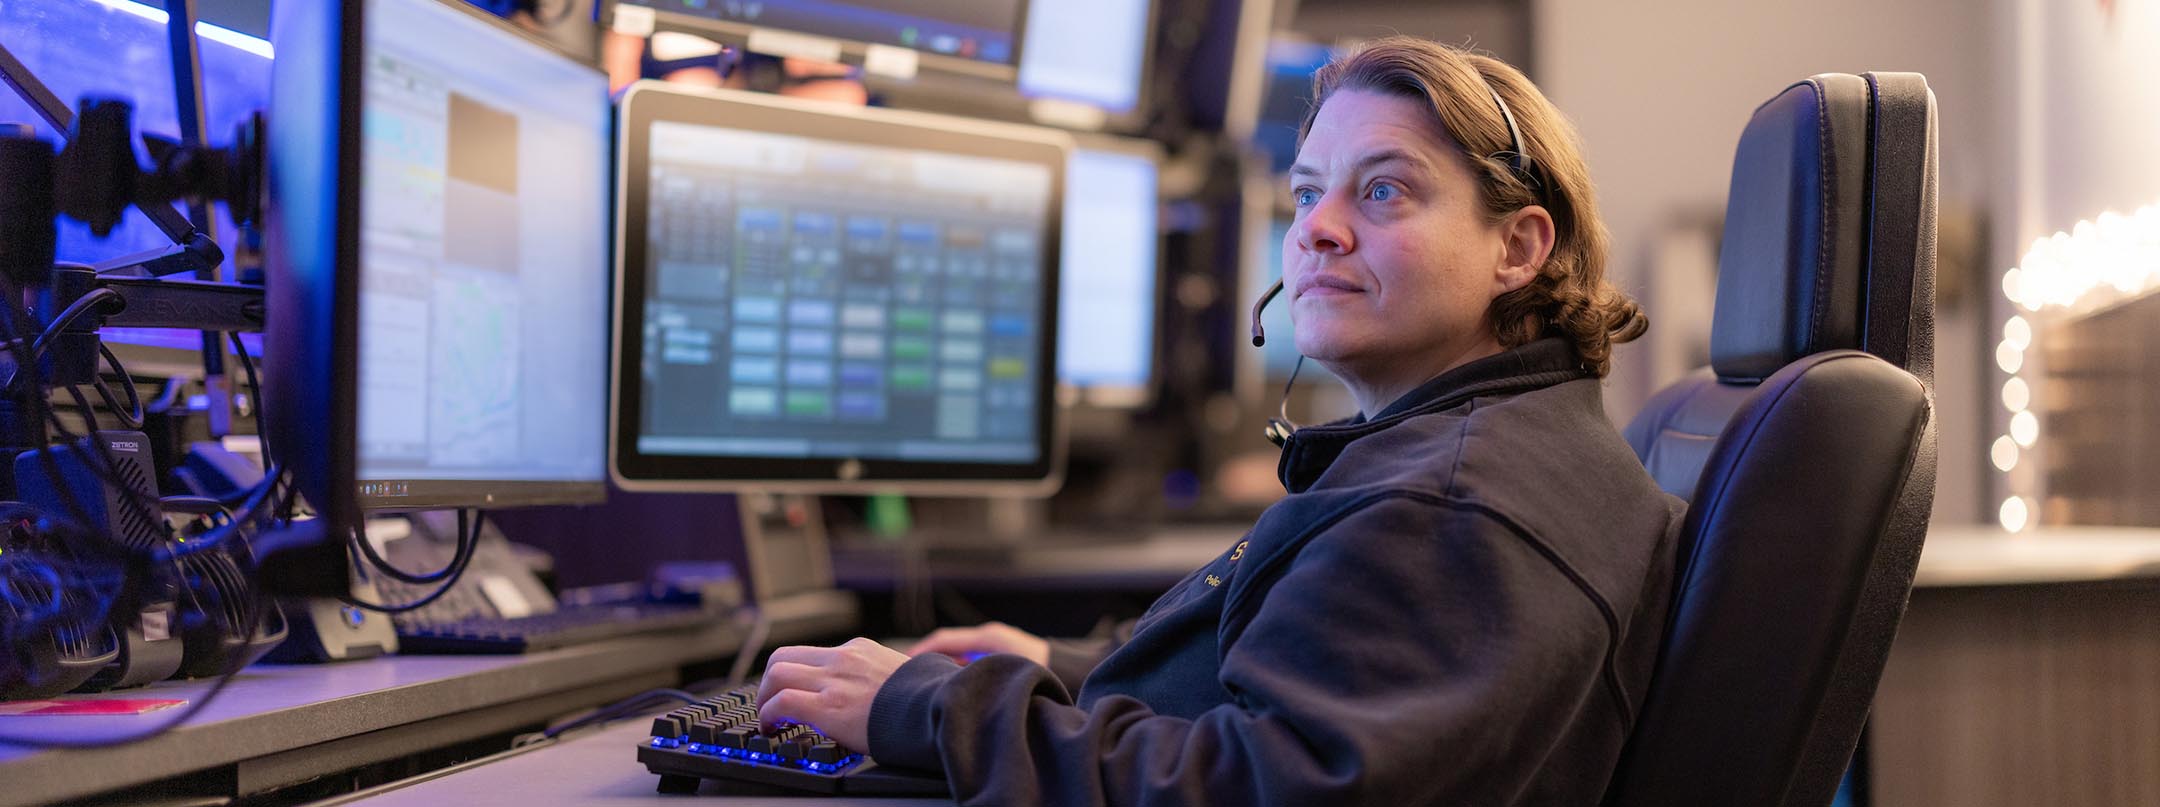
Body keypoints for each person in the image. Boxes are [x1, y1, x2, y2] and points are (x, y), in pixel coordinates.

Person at [753, 36, 1683, 805]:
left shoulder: (1448, 507)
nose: (1318, 228)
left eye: (1384, 190)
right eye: (1310, 192)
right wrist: (1056, 665)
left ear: (1518, 246)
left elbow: (1258, 786)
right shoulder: (1496, 444)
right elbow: (1296, 694)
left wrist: (931, 706)